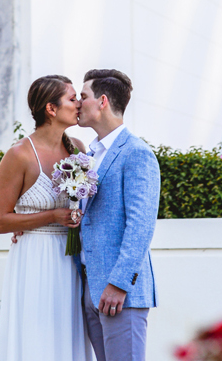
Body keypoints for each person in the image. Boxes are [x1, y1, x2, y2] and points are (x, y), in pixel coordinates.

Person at [0, 74, 94, 360]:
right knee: (38, 335)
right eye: (72, 99)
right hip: (34, 259)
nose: (78, 104)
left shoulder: (77, 149)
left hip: (71, 260)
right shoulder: (19, 155)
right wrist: (51, 216)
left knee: (70, 336)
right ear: (51, 109)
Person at [77, 68, 159, 361]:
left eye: (82, 96)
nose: (77, 103)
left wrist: (119, 283)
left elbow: (141, 224)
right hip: (91, 287)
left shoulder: (136, 152)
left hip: (119, 292)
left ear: (102, 101)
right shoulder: (90, 154)